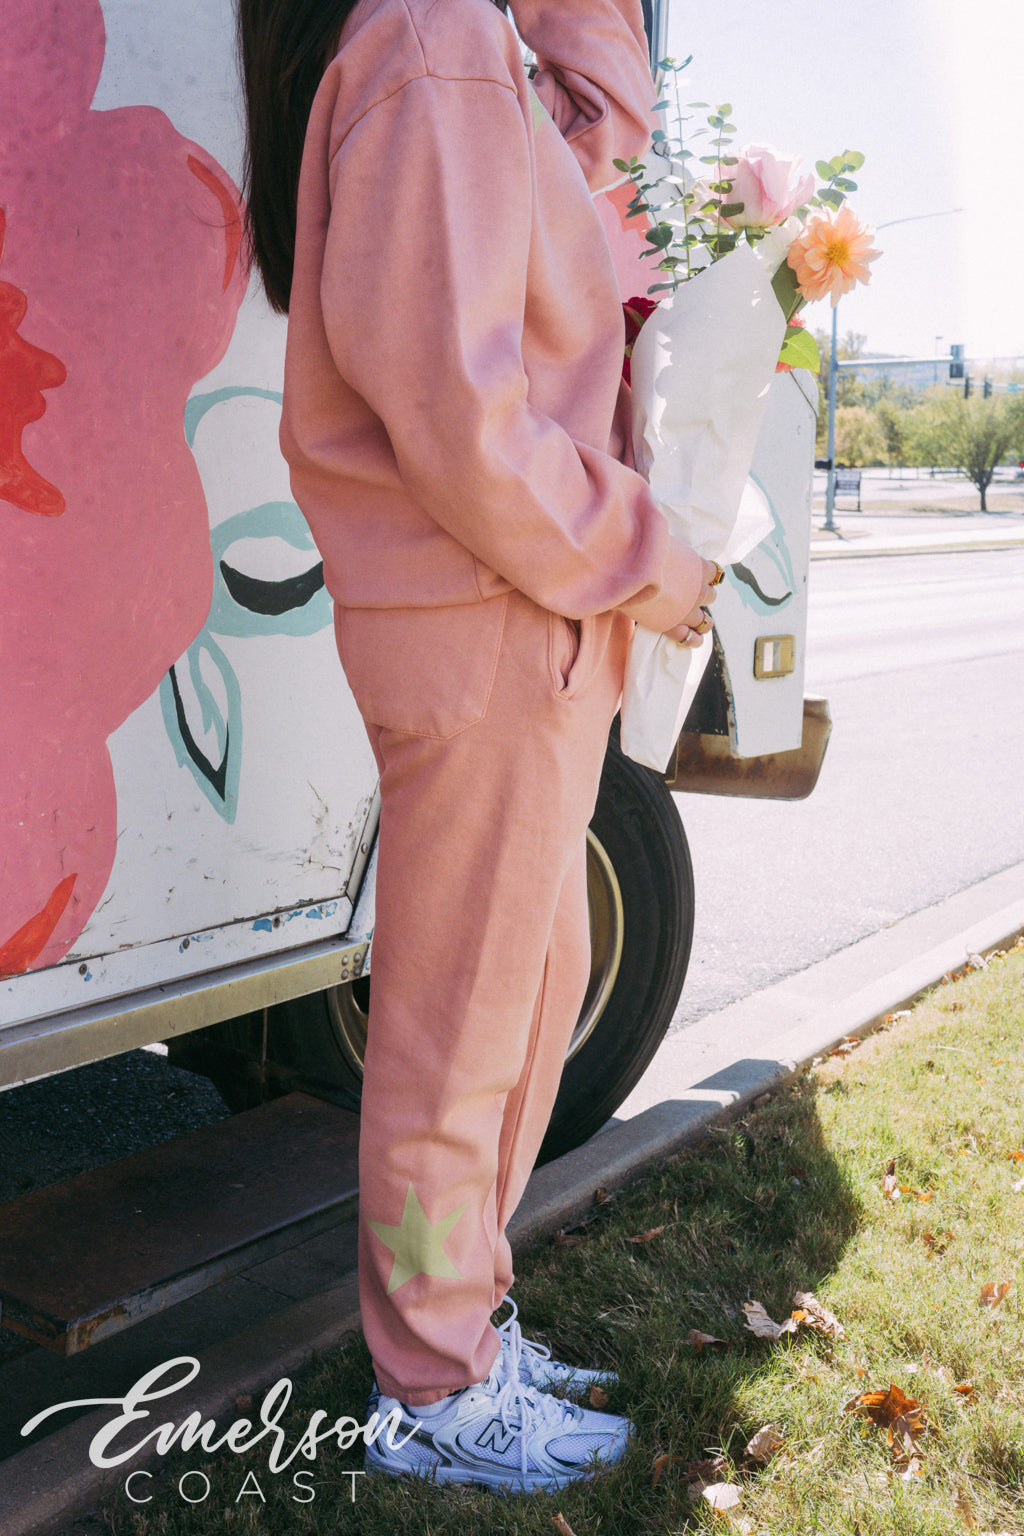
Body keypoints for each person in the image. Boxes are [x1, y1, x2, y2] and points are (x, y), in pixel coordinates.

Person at [236, 0, 720, 1493]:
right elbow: (461, 412)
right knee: (460, 1036)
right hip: (496, 607)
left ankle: (459, 1327)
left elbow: (597, 137)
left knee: (520, 1002)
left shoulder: (456, 41)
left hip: (512, 604)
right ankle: (433, 1385)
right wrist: (652, 556)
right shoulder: (433, 38)